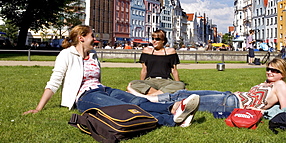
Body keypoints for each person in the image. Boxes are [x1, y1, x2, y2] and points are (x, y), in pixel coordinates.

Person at [23, 25, 199, 127]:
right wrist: (39, 108)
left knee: (134, 100)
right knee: (123, 108)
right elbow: (53, 83)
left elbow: (96, 80)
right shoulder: (66, 55)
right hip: (84, 96)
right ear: (82, 38)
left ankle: (174, 107)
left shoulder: (93, 55)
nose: (95, 38)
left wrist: (103, 90)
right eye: (92, 36)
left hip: (102, 89)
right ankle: (171, 120)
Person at [127, 58, 286, 115]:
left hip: (232, 104)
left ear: (283, 73)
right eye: (268, 69)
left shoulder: (280, 85)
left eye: (275, 70)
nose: (270, 72)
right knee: (183, 93)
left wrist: (261, 111)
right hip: (230, 96)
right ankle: (146, 98)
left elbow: (285, 110)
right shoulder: (269, 83)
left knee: (187, 101)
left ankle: (144, 101)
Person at [128, 29, 186, 96]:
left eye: (157, 39)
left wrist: (179, 85)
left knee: (180, 85)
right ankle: (161, 95)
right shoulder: (147, 51)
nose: (154, 41)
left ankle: (149, 95)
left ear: (163, 41)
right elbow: (144, 69)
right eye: (153, 39)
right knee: (133, 83)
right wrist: (142, 82)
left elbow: (174, 70)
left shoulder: (170, 52)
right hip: (150, 80)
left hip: (166, 80)